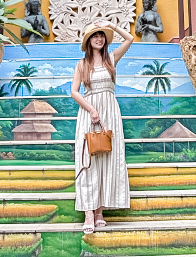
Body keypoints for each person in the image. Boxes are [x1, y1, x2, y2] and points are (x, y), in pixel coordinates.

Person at [70, 20, 134, 233]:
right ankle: (88, 212)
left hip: (110, 113)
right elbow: (74, 92)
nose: (99, 38)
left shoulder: (111, 59)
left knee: (108, 159)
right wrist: (91, 109)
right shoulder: (81, 64)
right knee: (89, 160)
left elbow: (130, 39)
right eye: (95, 35)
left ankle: (99, 211)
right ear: (88, 40)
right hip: (90, 113)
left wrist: (112, 26)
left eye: (102, 35)